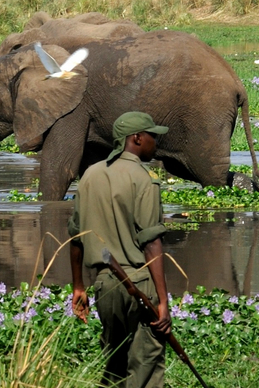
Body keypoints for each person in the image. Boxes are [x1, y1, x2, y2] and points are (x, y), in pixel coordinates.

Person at [69, 112, 172, 388]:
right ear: (137, 138)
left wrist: (78, 286)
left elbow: (76, 238)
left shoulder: (90, 175)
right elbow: (151, 244)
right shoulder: (144, 179)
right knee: (147, 365)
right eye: (152, 135)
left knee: (115, 364)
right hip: (139, 283)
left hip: (105, 288)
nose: (156, 141)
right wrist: (163, 301)